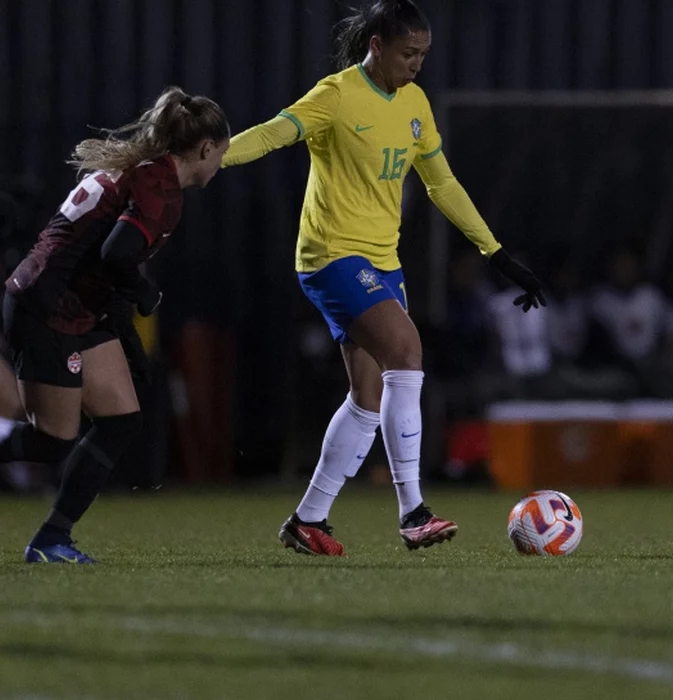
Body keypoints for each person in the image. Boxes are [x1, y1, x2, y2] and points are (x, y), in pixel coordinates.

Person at [223, 0, 545, 556]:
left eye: (423, 54)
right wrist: (211, 157)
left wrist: (496, 254)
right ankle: (413, 510)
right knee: (408, 352)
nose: (417, 64)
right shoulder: (337, 94)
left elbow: (442, 185)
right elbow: (276, 133)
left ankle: (308, 519)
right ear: (377, 46)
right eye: (408, 53)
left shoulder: (416, 103)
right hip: (331, 255)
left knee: (368, 398)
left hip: (383, 261)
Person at [0, 86, 230, 563]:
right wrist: (148, 295)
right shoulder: (161, 189)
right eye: (220, 155)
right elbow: (117, 256)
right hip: (48, 307)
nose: (220, 166)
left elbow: (107, 269)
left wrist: (127, 340)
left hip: (71, 305)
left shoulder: (144, 171)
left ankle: (52, 539)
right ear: (205, 149)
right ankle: (49, 539)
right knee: (52, 440)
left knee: (122, 419)